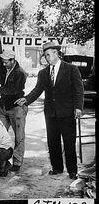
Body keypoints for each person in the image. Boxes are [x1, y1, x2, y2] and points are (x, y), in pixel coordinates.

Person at [15, 41, 84, 179]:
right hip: (50, 113)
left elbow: (78, 89)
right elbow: (37, 90)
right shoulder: (43, 73)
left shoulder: (71, 69)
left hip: (67, 112)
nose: (47, 58)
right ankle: (57, 167)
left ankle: (72, 170)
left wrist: (78, 108)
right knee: (53, 141)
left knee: (69, 142)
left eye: (48, 55)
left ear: (56, 53)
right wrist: (26, 99)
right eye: (45, 56)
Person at [0, 50, 28, 172]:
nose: (4, 64)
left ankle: (17, 162)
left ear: (13, 60)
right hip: (4, 107)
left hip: (16, 108)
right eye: (3, 62)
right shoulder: (5, 70)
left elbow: (13, 90)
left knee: (19, 137)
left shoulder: (20, 73)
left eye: (6, 62)